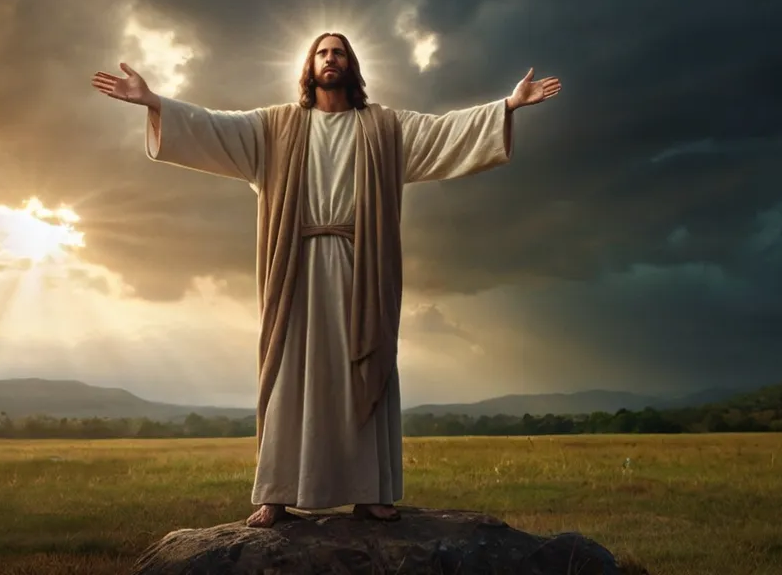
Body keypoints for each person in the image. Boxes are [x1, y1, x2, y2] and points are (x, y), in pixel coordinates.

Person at [91, 33, 561, 527]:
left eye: (338, 52)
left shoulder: (382, 127)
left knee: (365, 365)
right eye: (322, 52)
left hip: (363, 268)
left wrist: (507, 106)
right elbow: (215, 127)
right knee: (290, 371)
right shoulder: (277, 127)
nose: (330, 59)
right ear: (309, 66)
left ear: (352, 66)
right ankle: (276, 491)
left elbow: (443, 132)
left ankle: (371, 490)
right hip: (295, 270)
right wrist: (154, 102)